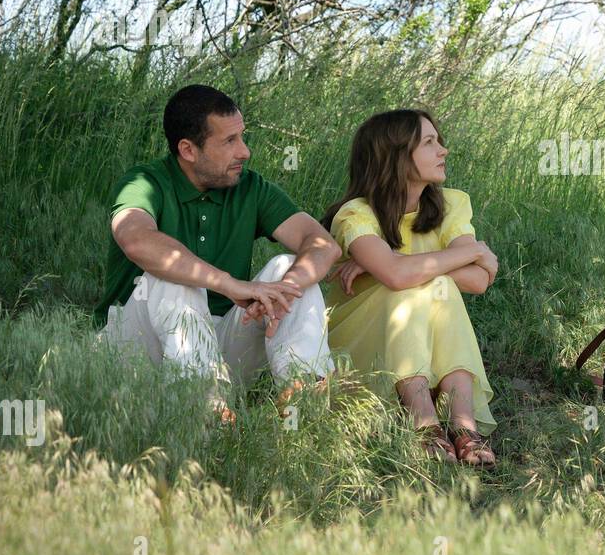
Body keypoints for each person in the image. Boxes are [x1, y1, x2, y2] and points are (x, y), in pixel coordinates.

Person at [94, 85, 340, 423]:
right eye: (229, 142)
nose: (245, 152)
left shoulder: (249, 187)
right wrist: (229, 284)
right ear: (188, 150)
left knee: (289, 268)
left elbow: (322, 244)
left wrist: (287, 288)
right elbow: (136, 239)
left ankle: (301, 396)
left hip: (221, 348)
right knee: (170, 275)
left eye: (242, 137)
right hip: (137, 350)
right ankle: (202, 404)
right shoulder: (144, 182)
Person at [321, 109, 499, 468]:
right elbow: (402, 279)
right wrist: (473, 252)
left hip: (423, 342)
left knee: (437, 286)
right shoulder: (355, 214)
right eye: (429, 142)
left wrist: (390, 265)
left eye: (439, 140)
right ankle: (423, 422)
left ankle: (462, 424)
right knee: (414, 287)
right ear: (396, 156)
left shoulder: (451, 204)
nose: (443, 150)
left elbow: (478, 281)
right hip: (358, 344)